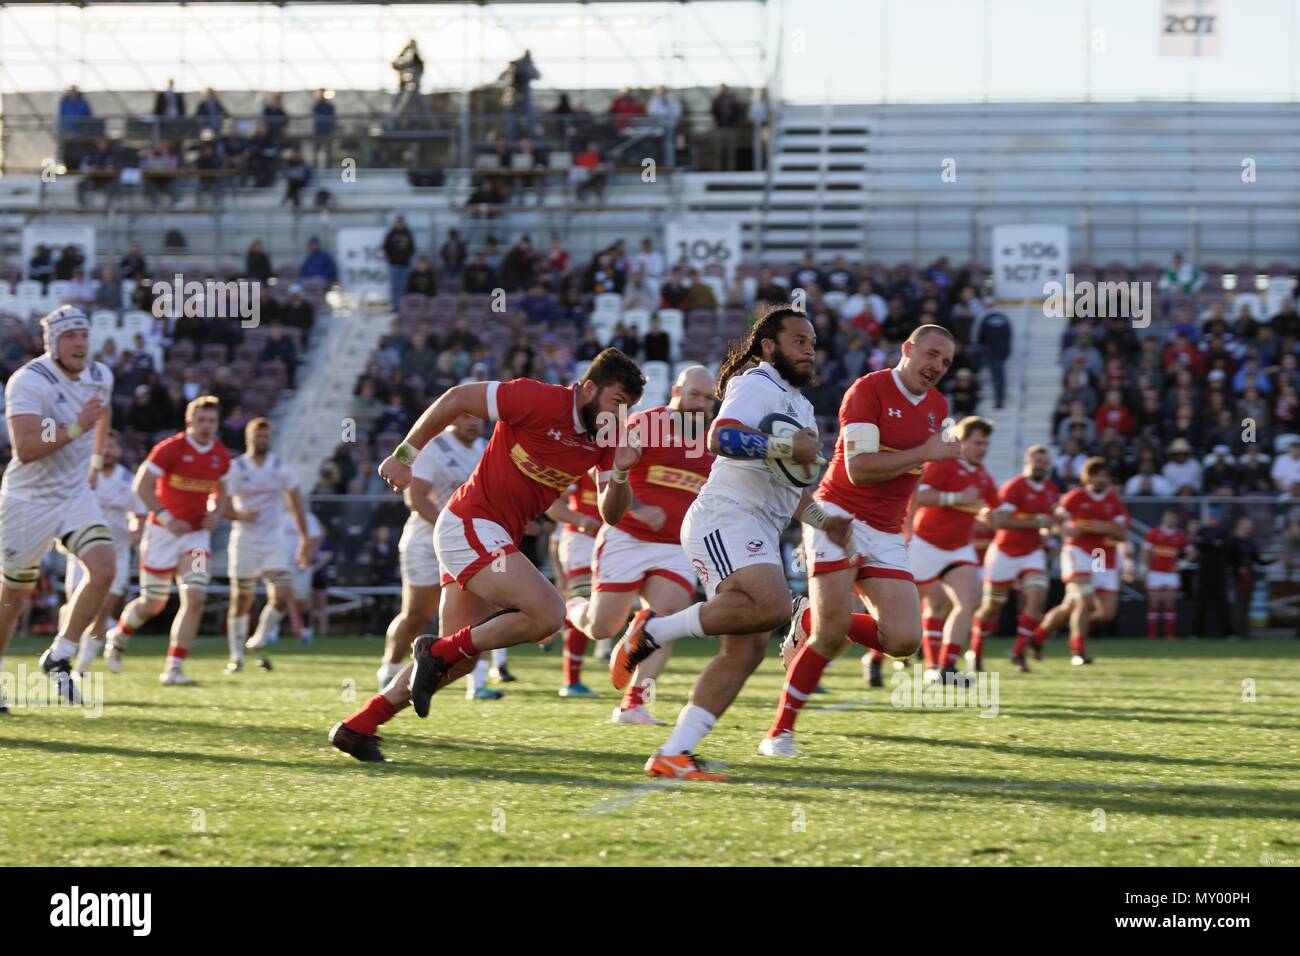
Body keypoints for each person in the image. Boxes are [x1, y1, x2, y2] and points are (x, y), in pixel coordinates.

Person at [328, 348, 645, 762]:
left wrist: (620, 473)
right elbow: (459, 397)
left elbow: (612, 513)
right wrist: (406, 454)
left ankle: (358, 727)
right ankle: (434, 652)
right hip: (468, 523)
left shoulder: (607, 436)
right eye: (616, 402)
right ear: (588, 389)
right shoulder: (538, 398)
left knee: (458, 662)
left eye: (628, 409)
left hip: (490, 538)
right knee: (548, 614)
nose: (619, 416)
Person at [605, 305, 850, 778]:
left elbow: (792, 489)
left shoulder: (798, 404)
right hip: (726, 517)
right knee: (775, 606)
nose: (809, 350)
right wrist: (785, 446)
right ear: (768, 346)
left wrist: (823, 521)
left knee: (746, 650)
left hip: (758, 527)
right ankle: (651, 631)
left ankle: (675, 752)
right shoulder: (756, 384)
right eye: (799, 341)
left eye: (813, 343)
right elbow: (721, 436)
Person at [760, 325, 962, 757]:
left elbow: (905, 473)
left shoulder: (937, 406)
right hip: (838, 516)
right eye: (931, 355)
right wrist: (926, 453)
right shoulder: (868, 390)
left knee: (904, 642)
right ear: (907, 349)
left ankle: (810, 619)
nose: (937, 367)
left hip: (886, 530)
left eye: (945, 362)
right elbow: (860, 469)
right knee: (832, 638)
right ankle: (780, 733)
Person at [565, 366, 717, 722]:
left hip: (676, 547)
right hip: (628, 537)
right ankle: (571, 607)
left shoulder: (712, 439)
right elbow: (602, 468)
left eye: (709, 398)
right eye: (695, 394)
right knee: (601, 627)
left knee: (665, 621)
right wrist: (638, 508)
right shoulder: (645, 424)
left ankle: (634, 703)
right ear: (676, 392)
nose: (702, 403)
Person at [0, 306, 116, 710]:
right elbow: (27, 448)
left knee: (105, 568)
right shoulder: (30, 381)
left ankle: (60, 654)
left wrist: (97, 461)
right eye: (70, 336)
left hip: (72, 493)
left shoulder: (100, 375)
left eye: (84, 334)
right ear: (52, 344)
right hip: (27, 499)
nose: (80, 342)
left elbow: (103, 412)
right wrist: (77, 429)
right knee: (15, 594)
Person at [105, 397, 231, 684]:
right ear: (189, 421)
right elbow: (142, 485)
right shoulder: (170, 448)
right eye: (201, 420)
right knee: (153, 603)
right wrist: (164, 515)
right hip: (161, 533)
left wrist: (216, 513)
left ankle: (173, 668)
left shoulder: (221, 455)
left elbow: (222, 489)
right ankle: (120, 634)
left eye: (211, 421)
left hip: (196, 536)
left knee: (196, 596)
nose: (206, 426)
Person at [378, 413, 492, 698]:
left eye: (478, 417)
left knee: (480, 613)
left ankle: (478, 684)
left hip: (467, 541)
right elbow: (415, 498)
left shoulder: (485, 448)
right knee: (417, 614)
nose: (473, 422)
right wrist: (452, 527)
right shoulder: (434, 448)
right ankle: (389, 670)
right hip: (425, 543)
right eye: (466, 416)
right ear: (453, 418)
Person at [909, 416, 999, 682]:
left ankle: (946, 666)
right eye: (977, 442)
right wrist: (958, 498)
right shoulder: (944, 464)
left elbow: (998, 510)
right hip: (925, 544)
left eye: (986, 443)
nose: (983, 448)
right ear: (962, 442)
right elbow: (920, 496)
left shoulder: (982, 474)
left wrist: (990, 515)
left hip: (959, 549)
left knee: (969, 600)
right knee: (912, 607)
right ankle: (877, 658)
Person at [222, 419, 311, 674]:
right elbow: (217, 504)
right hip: (244, 540)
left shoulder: (278, 467)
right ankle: (236, 656)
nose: (262, 440)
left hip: (273, 540)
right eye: (257, 436)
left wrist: (304, 539)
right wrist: (239, 515)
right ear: (248, 438)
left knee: (282, 594)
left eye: (265, 437)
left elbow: (296, 504)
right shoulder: (236, 467)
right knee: (241, 598)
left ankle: (259, 638)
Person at [969, 445, 1060, 673]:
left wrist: (1049, 534)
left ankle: (1019, 651)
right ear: (1027, 462)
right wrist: (1038, 523)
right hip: (1005, 551)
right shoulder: (1014, 486)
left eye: (1044, 462)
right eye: (1037, 461)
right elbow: (1001, 521)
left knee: (1037, 597)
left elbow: (1049, 522)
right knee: (992, 607)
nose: (1040, 465)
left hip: (1032, 552)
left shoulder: (1050, 489)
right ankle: (976, 651)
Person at [1032, 457, 1129, 665]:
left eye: (1104, 474)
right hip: (1078, 551)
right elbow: (1056, 524)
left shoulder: (1113, 502)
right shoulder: (1074, 497)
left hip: (1100, 555)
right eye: (1097, 474)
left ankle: (1039, 635)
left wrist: (1106, 529)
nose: (1101, 478)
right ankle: (1078, 651)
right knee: (1083, 601)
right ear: (1088, 477)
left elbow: (1122, 534)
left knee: (1103, 613)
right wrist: (1064, 530)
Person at [66, 430, 146, 674]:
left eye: (113, 446)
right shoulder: (83, 476)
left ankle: (81, 666)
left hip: (116, 554)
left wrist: (136, 532)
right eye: (104, 446)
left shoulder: (127, 480)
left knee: (101, 611)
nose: (108, 451)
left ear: (119, 451)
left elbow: (140, 514)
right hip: (82, 552)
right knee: (76, 608)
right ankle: (68, 651)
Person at [543, 470, 605, 695]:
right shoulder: (581, 470)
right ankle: (571, 682)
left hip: (610, 544)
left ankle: (555, 621)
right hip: (580, 541)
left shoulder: (626, 473)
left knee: (595, 611)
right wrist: (581, 520)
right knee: (586, 604)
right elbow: (552, 506)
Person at [1142, 508, 1189, 641]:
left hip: (1170, 574)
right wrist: (1144, 568)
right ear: (1163, 518)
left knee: (1170, 603)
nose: (1171, 520)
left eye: (1173, 518)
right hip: (1155, 572)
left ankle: (1169, 635)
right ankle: (1151, 635)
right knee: (1153, 603)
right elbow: (1146, 552)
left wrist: (1182, 564)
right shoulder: (1154, 533)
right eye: (1169, 517)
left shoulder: (1180, 535)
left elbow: (1192, 551)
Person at [384, 216, 416, 305]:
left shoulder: (408, 234)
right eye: (398, 222)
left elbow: (412, 249)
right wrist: (391, 258)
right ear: (395, 223)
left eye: (401, 222)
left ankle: (402, 306)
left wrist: (407, 258)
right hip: (394, 264)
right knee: (394, 287)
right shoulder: (391, 234)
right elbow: (386, 248)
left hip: (405, 265)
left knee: (403, 287)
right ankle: (394, 306)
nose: (400, 224)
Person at [311, 89, 336, 169]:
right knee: (316, 152)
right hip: (318, 132)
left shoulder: (330, 107)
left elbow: (332, 118)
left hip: (328, 132)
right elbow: (315, 116)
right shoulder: (316, 106)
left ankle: (329, 168)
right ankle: (315, 167)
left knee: (328, 152)